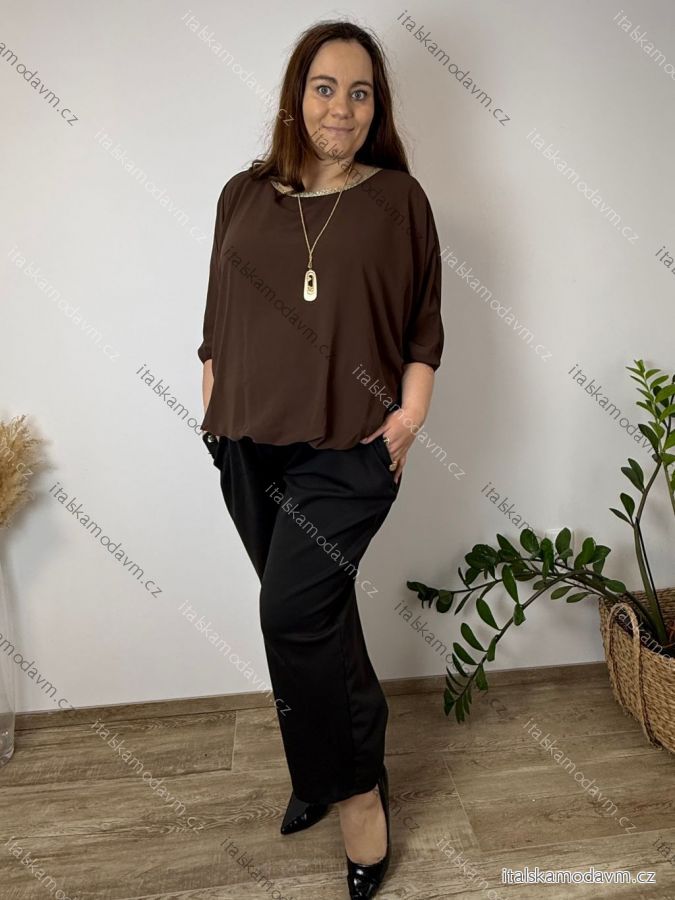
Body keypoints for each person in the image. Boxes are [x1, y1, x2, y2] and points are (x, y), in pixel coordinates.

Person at [198, 19, 443, 899]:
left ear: (377, 107)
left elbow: (421, 325)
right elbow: (215, 316)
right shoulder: (241, 193)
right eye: (325, 87)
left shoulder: (398, 201)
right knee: (318, 620)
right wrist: (213, 400)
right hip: (246, 442)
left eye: (360, 91)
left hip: (348, 451)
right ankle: (322, 764)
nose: (341, 106)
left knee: (291, 614)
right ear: (296, 97)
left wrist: (410, 416)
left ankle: (355, 797)